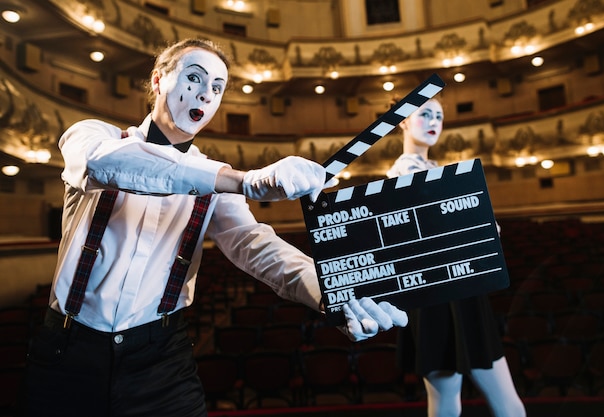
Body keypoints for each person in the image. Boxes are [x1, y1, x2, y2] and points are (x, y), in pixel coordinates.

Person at [20, 38, 408, 417]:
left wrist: (329, 291)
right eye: (195, 78)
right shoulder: (95, 136)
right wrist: (244, 179)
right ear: (158, 80)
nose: (206, 94)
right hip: (66, 351)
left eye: (218, 88)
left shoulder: (213, 183)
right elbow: (103, 164)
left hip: (161, 359)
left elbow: (256, 246)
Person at [388, 98, 525, 417]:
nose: (434, 120)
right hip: (434, 295)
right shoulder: (402, 170)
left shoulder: (438, 170)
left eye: (439, 115)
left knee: (505, 404)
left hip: (465, 291)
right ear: (404, 121)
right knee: (448, 402)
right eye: (425, 114)